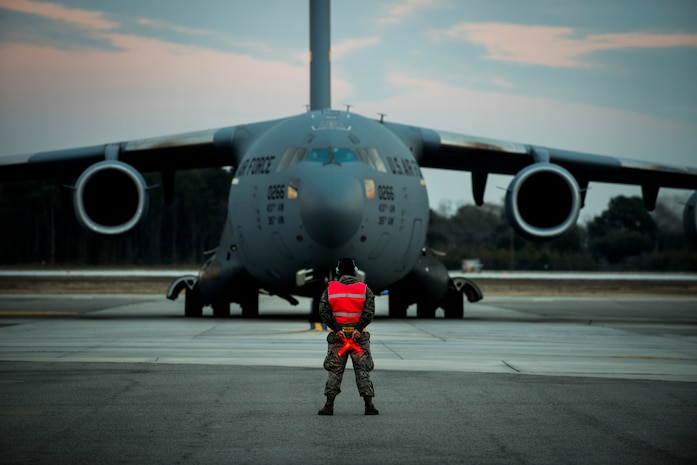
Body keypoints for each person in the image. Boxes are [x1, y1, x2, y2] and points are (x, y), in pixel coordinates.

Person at [318, 258, 379, 415]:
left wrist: (336, 329)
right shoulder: (365, 289)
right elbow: (369, 311)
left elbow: (324, 312)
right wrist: (358, 329)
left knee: (335, 371)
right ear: (355, 271)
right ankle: (369, 405)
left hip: (339, 338)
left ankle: (329, 405)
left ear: (338, 271)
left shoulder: (330, 290)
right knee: (362, 370)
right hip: (359, 339)